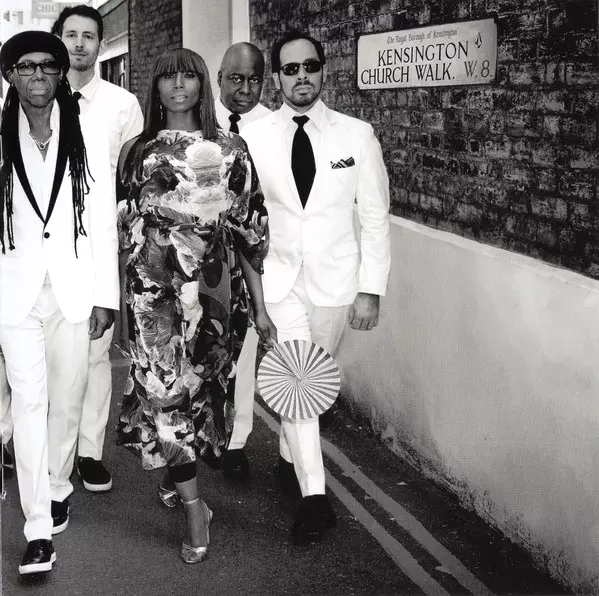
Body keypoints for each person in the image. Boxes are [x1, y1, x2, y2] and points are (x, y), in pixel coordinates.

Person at [116, 48, 276, 563]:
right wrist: (119, 303)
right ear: (156, 87)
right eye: (169, 77)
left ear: (204, 85)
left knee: (203, 390)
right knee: (163, 392)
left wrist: (261, 308)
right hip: (152, 294)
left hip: (213, 292)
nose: (179, 85)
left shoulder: (230, 150)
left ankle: (175, 470)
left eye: (190, 75)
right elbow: (123, 229)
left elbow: (249, 232)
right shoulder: (137, 151)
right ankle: (194, 509)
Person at [242, 30, 391, 545]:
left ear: (324, 70)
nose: (301, 76)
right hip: (280, 279)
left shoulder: (357, 135)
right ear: (277, 78)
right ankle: (314, 497)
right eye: (290, 69)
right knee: (298, 379)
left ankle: (290, 457)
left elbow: (374, 218)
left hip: (336, 282)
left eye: (310, 66)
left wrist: (371, 289)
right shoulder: (255, 137)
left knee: (315, 383)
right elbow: (247, 216)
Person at [0, 31, 118, 574]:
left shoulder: (85, 136)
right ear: (11, 76)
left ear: (60, 74)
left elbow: (101, 223)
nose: (38, 75)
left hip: (73, 291)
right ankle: (37, 527)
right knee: (29, 402)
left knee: (67, 401)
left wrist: (105, 297)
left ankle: (56, 483)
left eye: (48, 66)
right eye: (26, 66)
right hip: (15, 294)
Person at [53, 4, 144, 493]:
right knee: (36, 353)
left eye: (89, 36)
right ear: (58, 39)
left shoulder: (122, 105)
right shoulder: (36, 96)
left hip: (99, 247)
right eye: (71, 34)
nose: (79, 44)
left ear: (102, 44)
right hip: (47, 246)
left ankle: (88, 452)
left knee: (94, 353)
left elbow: (132, 184)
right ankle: (20, 440)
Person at [215, 41, 271, 482]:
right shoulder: (202, 124)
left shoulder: (273, 129)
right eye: (236, 78)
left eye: (254, 80)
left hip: (251, 262)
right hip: (209, 264)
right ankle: (203, 434)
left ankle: (235, 443)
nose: (245, 89)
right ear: (219, 78)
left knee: (245, 356)